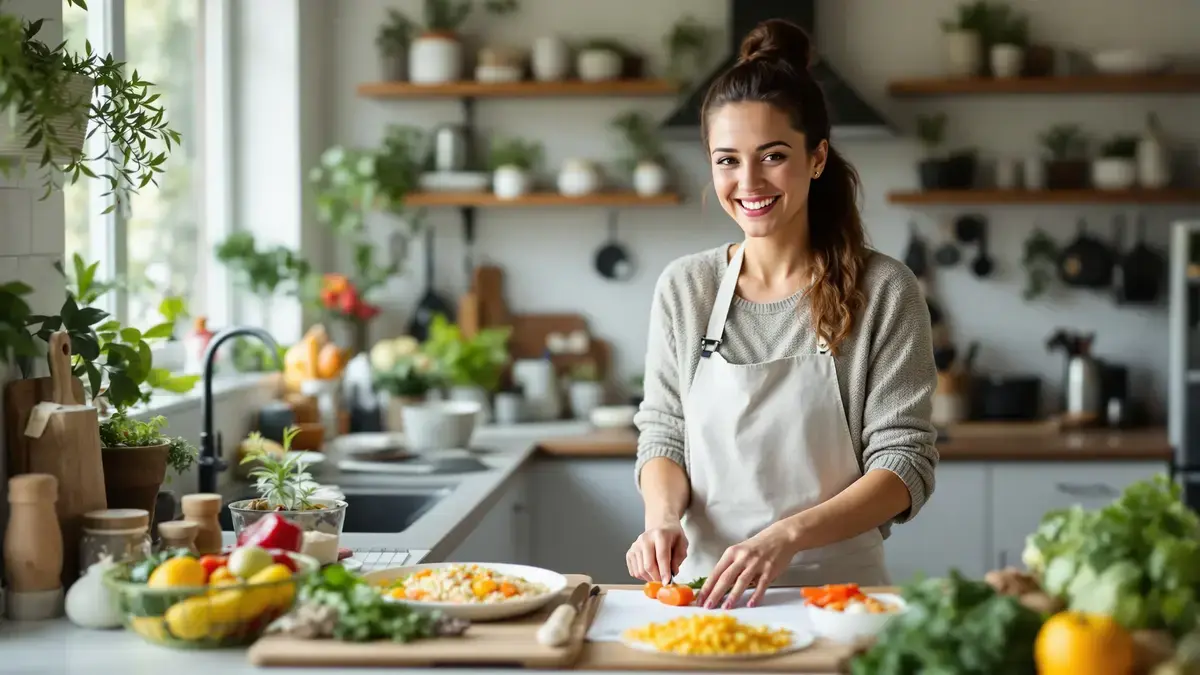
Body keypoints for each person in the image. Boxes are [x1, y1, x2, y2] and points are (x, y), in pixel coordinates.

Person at [628, 18, 938, 610]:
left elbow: (904, 464)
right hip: (704, 596)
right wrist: (662, 518)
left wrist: (784, 538)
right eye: (727, 160)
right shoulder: (686, 288)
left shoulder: (885, 290)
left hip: (841, 598)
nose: (749, 182)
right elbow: (664, 432)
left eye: (772, 156)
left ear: (817, 158)